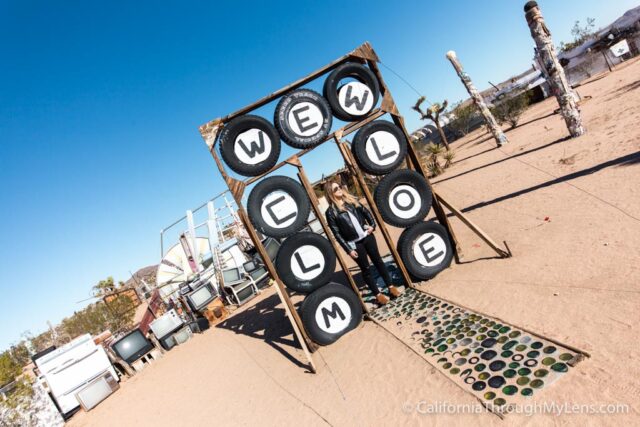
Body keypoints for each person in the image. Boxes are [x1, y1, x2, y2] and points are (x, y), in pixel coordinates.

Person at [324, 180, 402, 305]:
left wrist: (372, 225)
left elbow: (366, 212)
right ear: (330, 193)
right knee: (365, 269)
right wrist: (348, 250)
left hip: (368, 237)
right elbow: (336, 234)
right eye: (335, 189)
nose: (339, 189)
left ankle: (391, 287)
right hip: (355, 244)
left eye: (339, 186)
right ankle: (378, 295)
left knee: (378, 261)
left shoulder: (351, 201)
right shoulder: (331, 212)